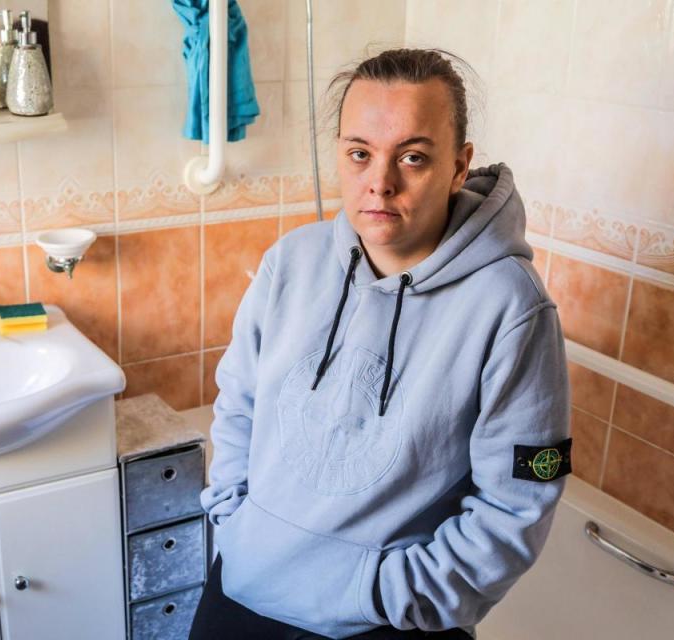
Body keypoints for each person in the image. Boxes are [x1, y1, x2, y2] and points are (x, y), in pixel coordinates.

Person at [188, 48, 572, 640]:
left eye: (413, 158)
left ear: (458, 166)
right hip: (244, 586)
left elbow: (523, 496)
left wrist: (387, 594)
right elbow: (239, 405)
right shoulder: (291, 262)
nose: (380, 183)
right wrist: (236, 523)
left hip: (385, 622)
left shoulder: (511, 308)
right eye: (360, 154)